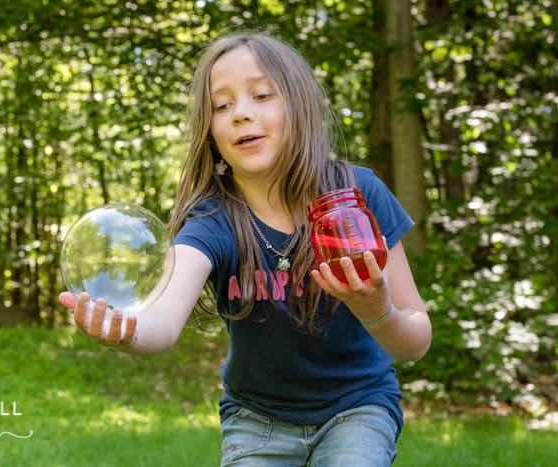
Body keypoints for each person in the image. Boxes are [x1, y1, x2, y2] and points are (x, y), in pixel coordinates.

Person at [59, 31, 431, 466]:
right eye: (222, 105)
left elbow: (414, 342)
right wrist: (127, 330)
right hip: (257, 421)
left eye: (261, 95)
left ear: (301, 107)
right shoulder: (212, 219)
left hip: (358, 407)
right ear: (211, 132)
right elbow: (163, 318)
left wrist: (376, 310)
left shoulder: (356, 195)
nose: (241, 114)